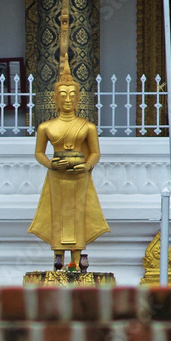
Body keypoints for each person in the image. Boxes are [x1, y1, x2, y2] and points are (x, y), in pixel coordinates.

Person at [28, 65, 109, 271]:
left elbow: (95, 153)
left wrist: (86, 165)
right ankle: (58, 254)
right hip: (57, 175)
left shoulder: (87, 126)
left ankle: (77, 255)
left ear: (78, 98)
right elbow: (39, 153)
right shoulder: (46, 127)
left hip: (80, 175)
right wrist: (51, 164)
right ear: (55, 98)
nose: (67, 99)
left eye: (72, 95)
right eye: (62, 95)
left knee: (78, 213)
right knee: (58, 212)